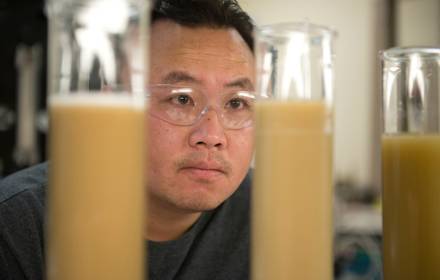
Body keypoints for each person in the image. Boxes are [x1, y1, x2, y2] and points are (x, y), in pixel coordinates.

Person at [0, 0, 255, 279]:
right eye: (182, 99)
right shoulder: (17, 226)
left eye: (236, 103)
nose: (212, 136)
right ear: (118, 105)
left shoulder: (273, 211)